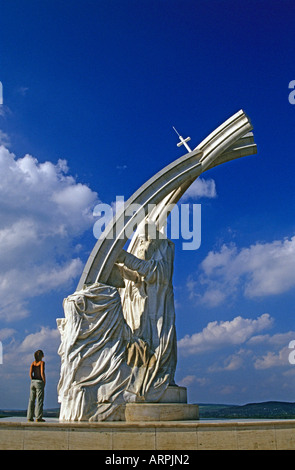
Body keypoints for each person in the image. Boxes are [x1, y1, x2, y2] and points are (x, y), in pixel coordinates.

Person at [27, 350, 46, 422]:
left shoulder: (33, 363)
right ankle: (38, 417)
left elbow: (30, 373)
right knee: (39, 400)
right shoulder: (42, 363)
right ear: (41, 356)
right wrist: (44, 381)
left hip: (33, 382)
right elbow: (42, 373)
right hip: (39, 382)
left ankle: (29, 417)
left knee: (31, 400)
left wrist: (32, 380)